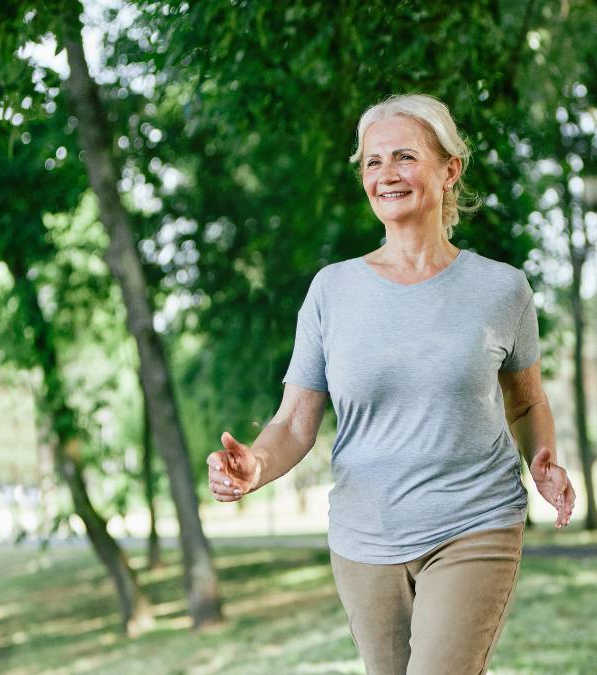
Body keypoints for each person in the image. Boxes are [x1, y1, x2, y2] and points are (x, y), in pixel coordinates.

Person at [206, 93, 575, 675]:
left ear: (449, 169)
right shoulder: (332, 291)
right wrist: (255, 466)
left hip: (473, 521)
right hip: (364, 538)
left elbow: (527, 402)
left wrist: (543, 463)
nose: (386, 175)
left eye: (404, 156)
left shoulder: (503, 289)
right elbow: (295, 421)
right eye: (372, 163)